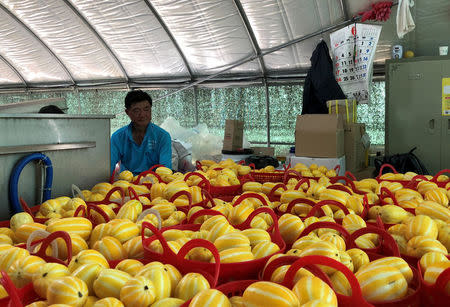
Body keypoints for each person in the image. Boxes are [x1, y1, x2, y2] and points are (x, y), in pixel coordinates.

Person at [110, 90, 172, 175]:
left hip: (155, 184)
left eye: (146, 109)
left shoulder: (163, 136)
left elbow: (165, 171)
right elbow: (108, 167)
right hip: (127, 183)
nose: (142, 115)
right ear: (127, 112)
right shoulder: (117, 137)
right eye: (136, 110)